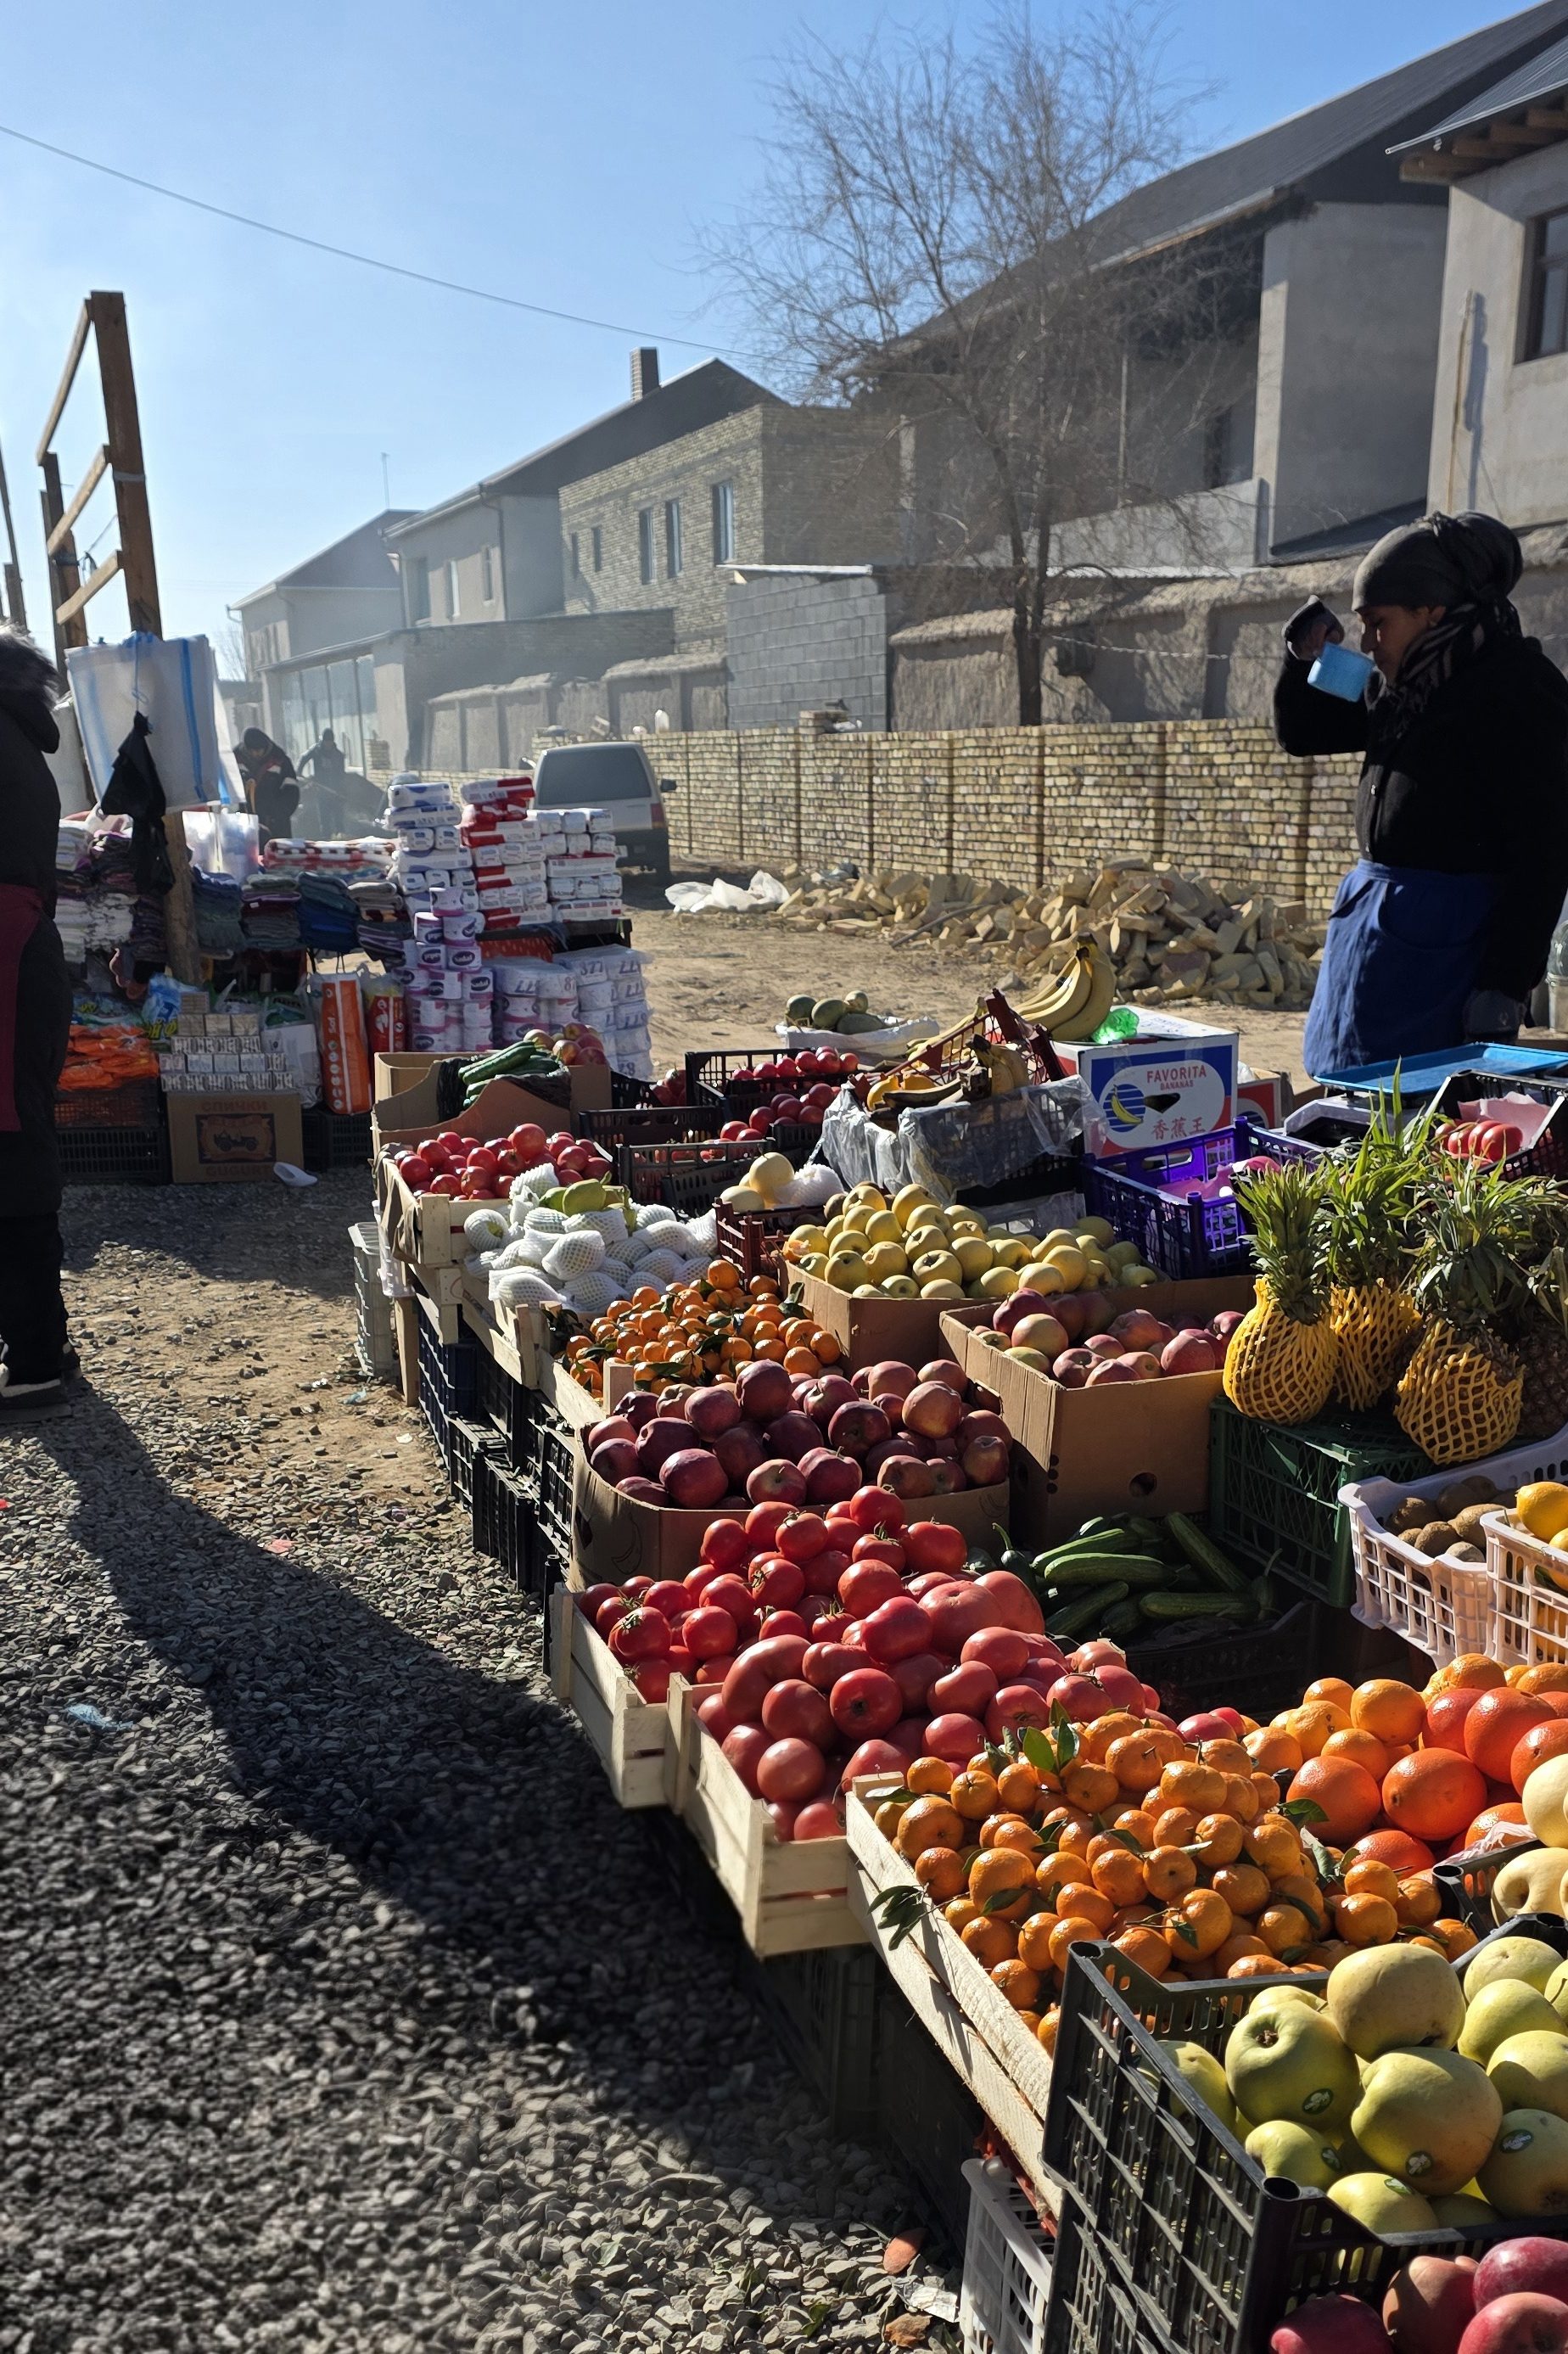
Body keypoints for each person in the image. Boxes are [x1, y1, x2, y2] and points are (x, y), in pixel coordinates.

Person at [1275, 510, 1568, 1077]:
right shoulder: (1401, 687)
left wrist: (1505, 985)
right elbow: (1305, 734)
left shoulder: (1518, 689)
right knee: (1353, 1106)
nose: (1366, 642)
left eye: (1378, 622)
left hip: (1448, 958)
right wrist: (1304, 660)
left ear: (1430, 611)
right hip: (1376, 945)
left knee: (1420, 1121)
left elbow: (1547, 850)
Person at [0, 627, 75, 1415]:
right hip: (22, 949)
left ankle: (32, 1359)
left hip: (7, 953)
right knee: (18, 1132)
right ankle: (39, 1340)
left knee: (12, 1139)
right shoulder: (20, 734)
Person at [238, 726, 300, 844]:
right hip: (246, 824)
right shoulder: (236, 759)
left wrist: (277, 815)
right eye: (251, 750)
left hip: (276, 825)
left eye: (258, 750)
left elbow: (292, 791)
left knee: (278, 856)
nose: (255, 754)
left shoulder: (280, 760)